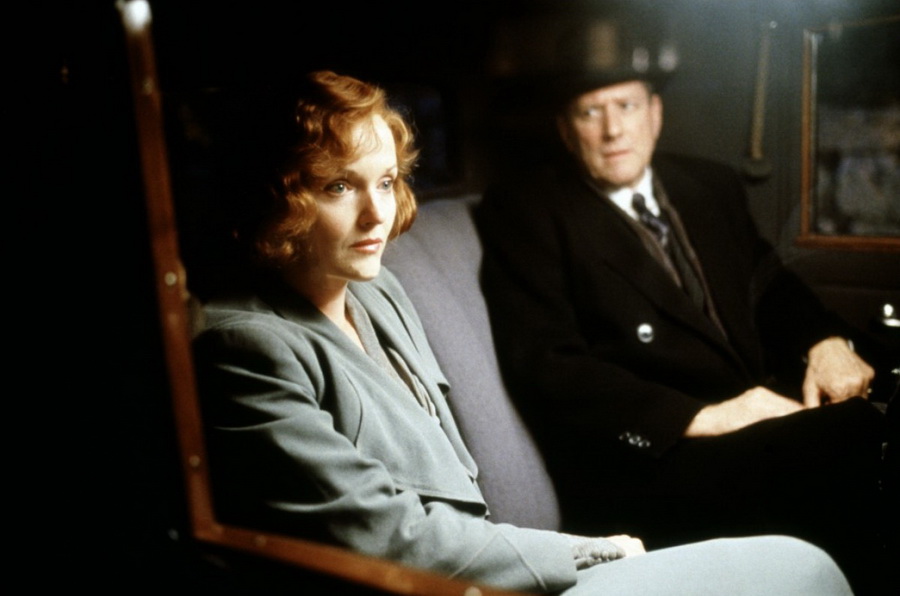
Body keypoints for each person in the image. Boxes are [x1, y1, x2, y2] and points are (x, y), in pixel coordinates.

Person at [190, 70, 853, 595]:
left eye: (386, 182)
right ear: (283, 196)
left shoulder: (375, 288)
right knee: (804, 569)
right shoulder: (244, 346)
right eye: (339, 186)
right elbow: (392, 538)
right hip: (450, 581)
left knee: (805, 565)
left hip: (492, 564)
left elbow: (454, 480)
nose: (376, 214)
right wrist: (594, 552)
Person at [474, 25, 895, 596]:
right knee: (851, 437)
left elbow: (772, 288)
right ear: (566, 131)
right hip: (652, 464)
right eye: (590, 112)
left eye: (626, 106)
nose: (613, 129)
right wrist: (705, 416)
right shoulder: (527, 212)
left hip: (755, 426)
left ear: (655, 113)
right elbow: (550, 367)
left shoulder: (706, 184)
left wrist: (825, 343)